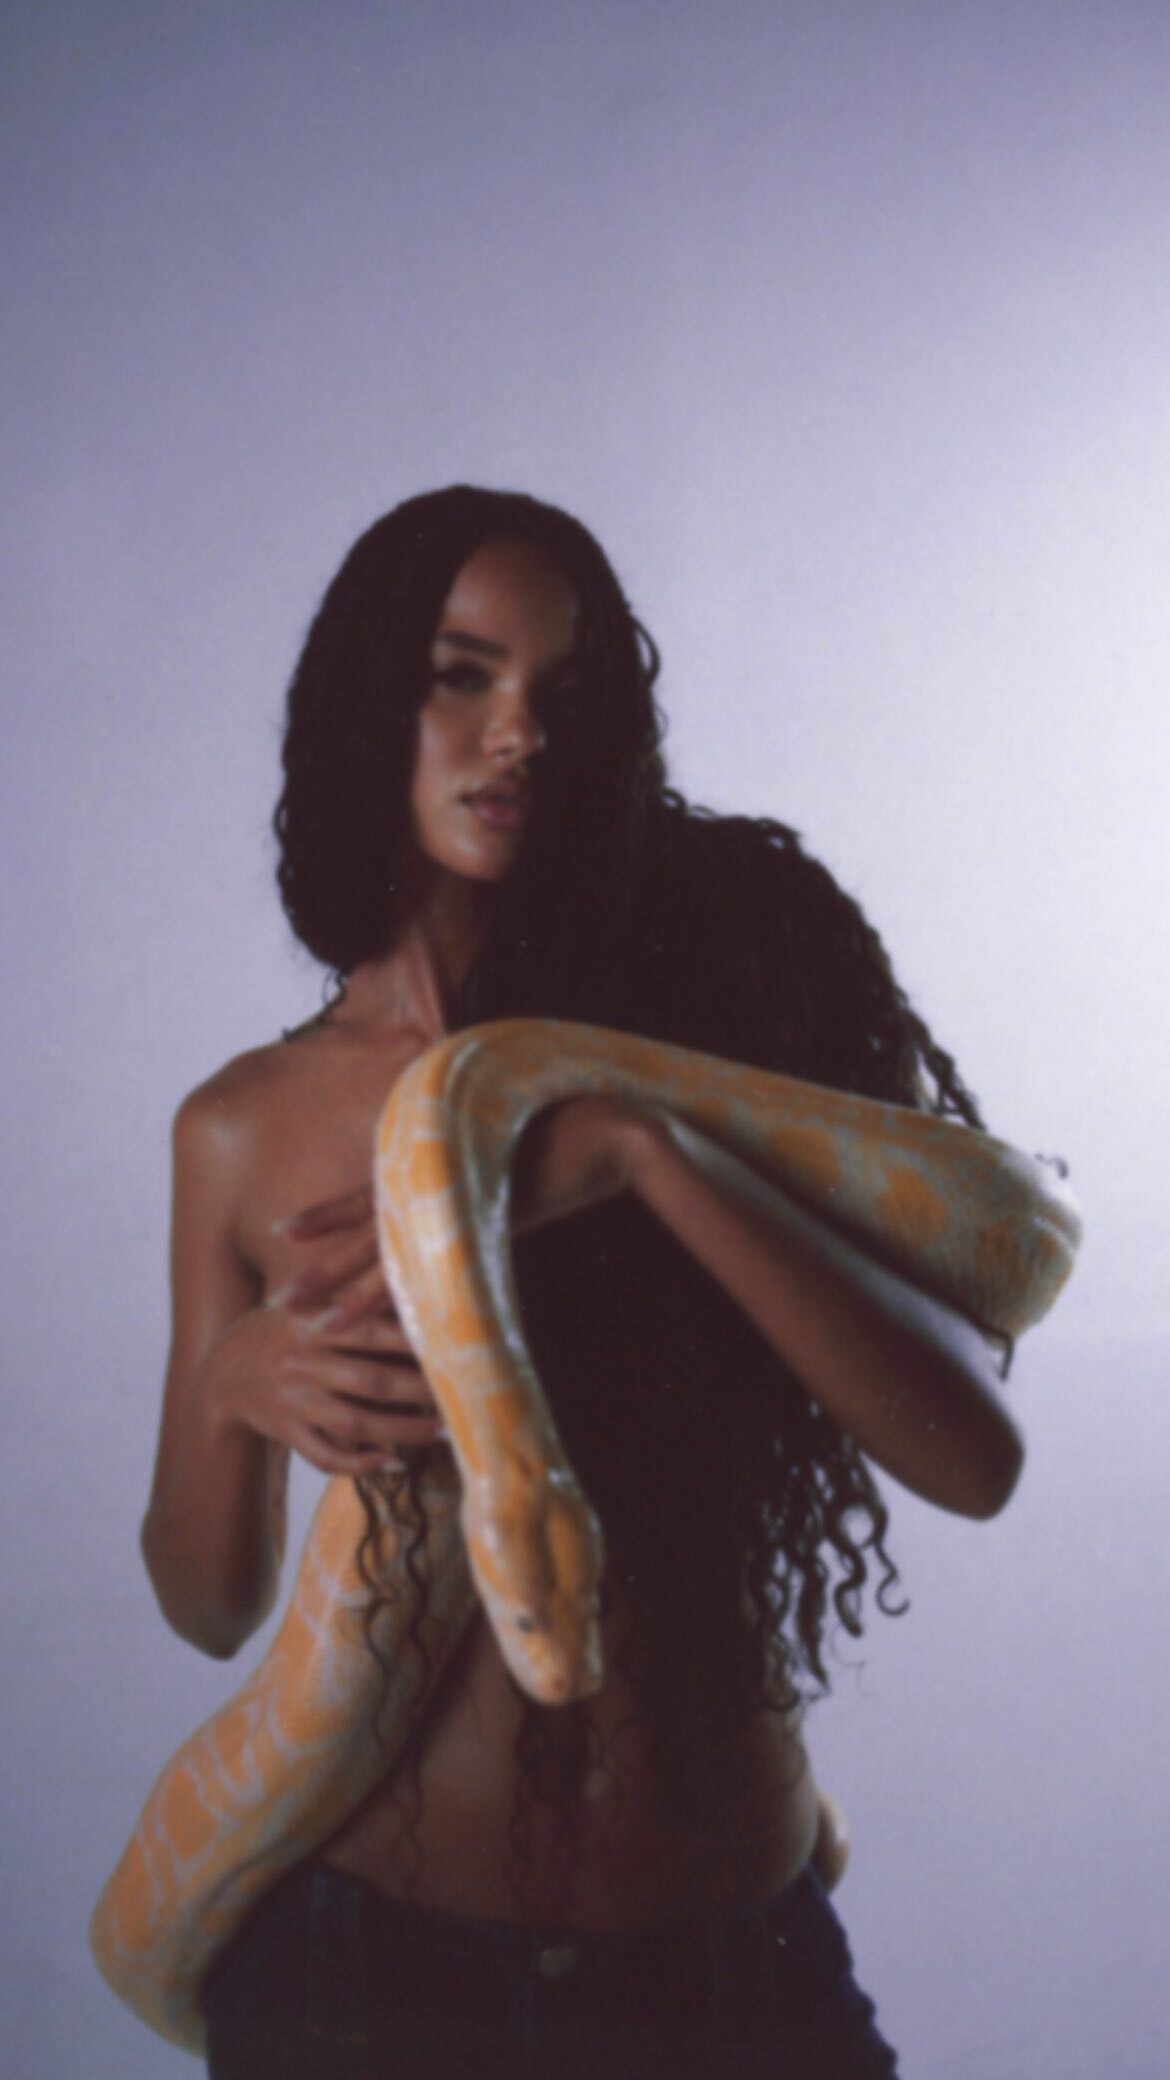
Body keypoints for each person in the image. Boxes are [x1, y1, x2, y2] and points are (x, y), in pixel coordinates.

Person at [141, 486, 1022, 2078]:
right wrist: (225, 1392)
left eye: (565, 691)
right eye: (459, 675)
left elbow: (971, 1459)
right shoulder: (245, 1129)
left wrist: (639, 1152)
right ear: (365, 706)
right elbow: (208, 1610)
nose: (519, 734)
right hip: (368, 1984)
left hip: (734, 1972)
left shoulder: (731, 994)